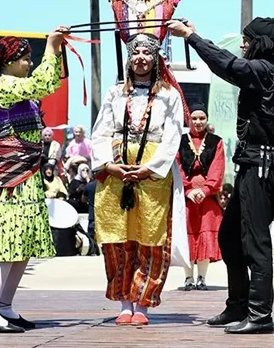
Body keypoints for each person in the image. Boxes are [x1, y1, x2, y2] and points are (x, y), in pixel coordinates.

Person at [168, 17, 274, 335]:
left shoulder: (264, 69)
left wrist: (192, 37)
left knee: (255, 244)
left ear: (259, 42)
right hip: (252, 165)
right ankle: (238, 306)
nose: (243, 44)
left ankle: (261, 315)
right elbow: (230, 62)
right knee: (230, 238)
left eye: (247, 40)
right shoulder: (264, 69)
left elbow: (228, 65)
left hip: (262, 168)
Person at [91, 27, 188, 327]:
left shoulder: (169, 96)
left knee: (150, 237)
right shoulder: (113, 92)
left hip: (152, 172)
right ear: (129, 59)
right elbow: (100, 133)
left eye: (148, 53)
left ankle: (143, 304)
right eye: (137, 53)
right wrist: (109, 166)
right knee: (117, 238)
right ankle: (124, 302)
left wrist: (150, 168)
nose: (142, 58)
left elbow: (172, 137)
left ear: (156, 58)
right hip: (117, 170)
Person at [0, 27, 67, 333]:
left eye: (30, 58)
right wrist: (51, 47)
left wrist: (54, 48)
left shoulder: (16, 86)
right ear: (6, 63)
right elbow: (44, 82)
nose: (29, 63)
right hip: (8, 178)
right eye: (25, 59)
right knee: (6, 243)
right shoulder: (2, 85)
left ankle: (4, 306)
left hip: (25, 174)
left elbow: (48, 82)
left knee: (22, 242)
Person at [177, 103, 226, 291]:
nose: (198, 122)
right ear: (188, 120)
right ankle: (188, 277)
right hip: (185, 197)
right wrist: (188, 190)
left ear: (207, 120)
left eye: (202, 118)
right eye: (194, 118)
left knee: (205, 236)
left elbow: (218, 168)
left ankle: (202, 278)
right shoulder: (179, 141)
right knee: (187, 237)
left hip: (208, 198)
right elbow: (177, 167)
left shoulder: (216, 141)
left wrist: (205, 190)